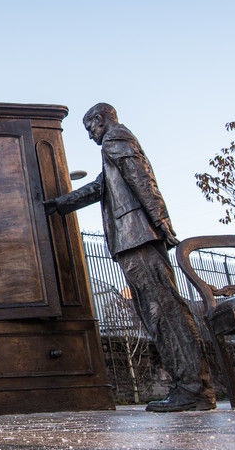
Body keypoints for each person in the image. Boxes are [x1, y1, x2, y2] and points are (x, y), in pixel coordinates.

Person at [45, 103, 215, 412]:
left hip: (138, 236)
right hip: (133, 238)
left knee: (165, 312)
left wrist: (161, 222)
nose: (90, 136)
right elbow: (102, 186)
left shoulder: (116, 137)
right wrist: (61, 204)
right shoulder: (114, 143)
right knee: (157, 314)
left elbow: (141, 179)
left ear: (100, 120)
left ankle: (194, 388)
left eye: (90, 128)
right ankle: (190, 386)